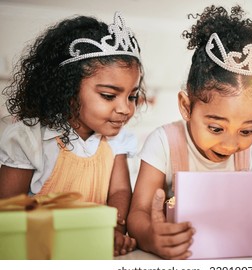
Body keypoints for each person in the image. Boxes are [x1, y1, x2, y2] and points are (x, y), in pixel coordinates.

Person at [127, 5, 252, 260]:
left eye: (247, 130)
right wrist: (151, 236)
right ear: (186, 107)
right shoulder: (163, 143)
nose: (230, 145)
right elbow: (138, 212)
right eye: (216, 128)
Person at [0, 11, 145, 256]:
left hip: (92, 250)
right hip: (41, 251)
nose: (125, 108)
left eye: (132, 96)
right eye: (109, 96)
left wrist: (115, 230)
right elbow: (7, 209)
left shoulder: (116, 140)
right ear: (67, 90)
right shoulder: (28, 139)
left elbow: (119, 192)